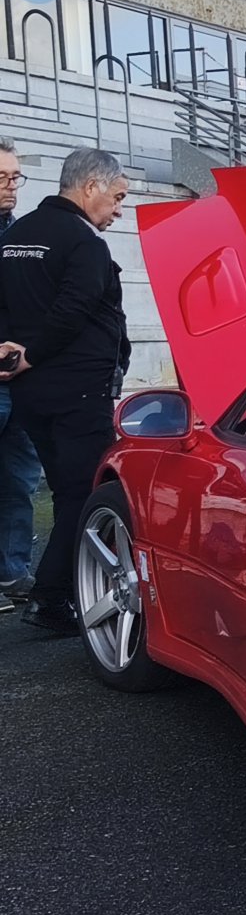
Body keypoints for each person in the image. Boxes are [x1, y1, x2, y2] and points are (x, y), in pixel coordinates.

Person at [0, 147, 130, 634]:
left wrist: (15, 352)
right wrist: (30, 353)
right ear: (91, 186)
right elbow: (74, 308)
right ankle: (53, 598)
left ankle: (59, 591)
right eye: (117, 197)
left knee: (65, 492)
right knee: (82, 495)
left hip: (33, 395)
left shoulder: (17, 235)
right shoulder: (84, 242)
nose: (118, 209)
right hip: (77, 392)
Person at [0, 136, 43, 615]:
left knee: (18, 481)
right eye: (2, 177)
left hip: (22, 379)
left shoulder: (23, 236)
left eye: (15, 176)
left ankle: (12, 570)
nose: (12, 186)